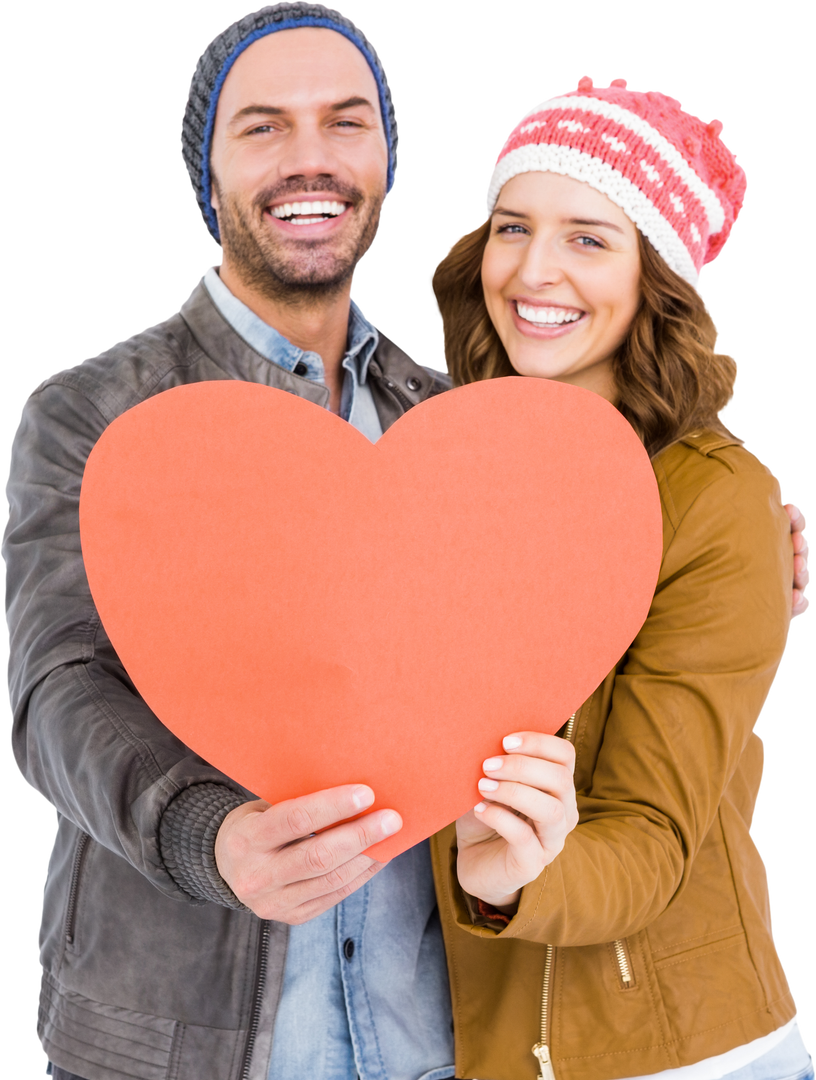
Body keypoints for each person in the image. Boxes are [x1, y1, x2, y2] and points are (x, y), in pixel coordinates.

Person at [3, 8, 810, 1080]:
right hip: (181, 1047)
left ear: (387, 158)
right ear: (206, 168)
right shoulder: (93, 411)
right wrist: (210, 836)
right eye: (261, 127)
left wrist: (741, 536)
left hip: (436, 1042)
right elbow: (55, 690)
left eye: (346, 122)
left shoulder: (455, 422)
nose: (310, 158)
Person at [426, 76, 814, 1080]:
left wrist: (516, 877)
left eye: (590, 238)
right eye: (512, 227)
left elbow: (650, 840)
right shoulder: (446, 469)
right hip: (467, 1046)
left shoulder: (715, 502)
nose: (534, 271)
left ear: (657, 278)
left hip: (681, 1053)